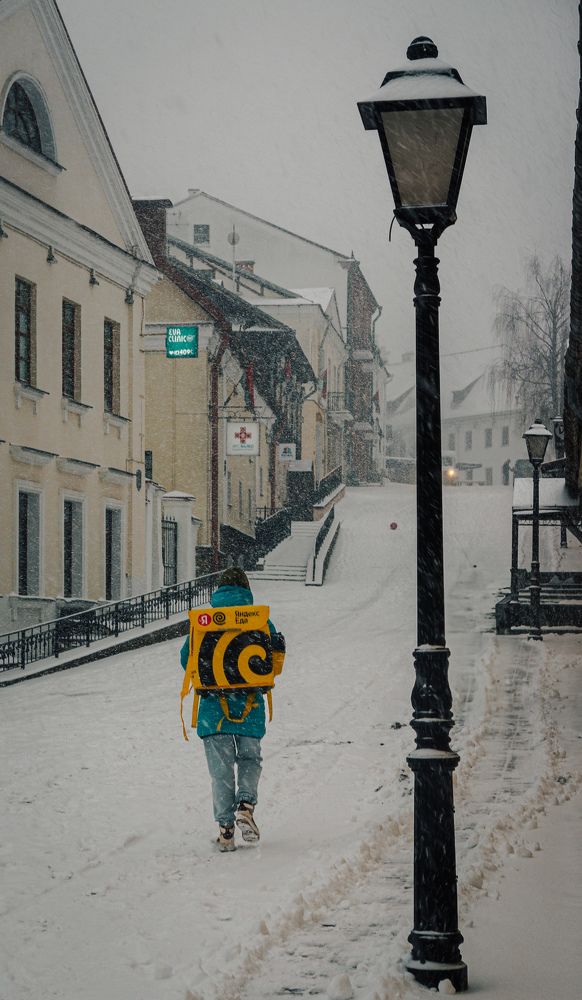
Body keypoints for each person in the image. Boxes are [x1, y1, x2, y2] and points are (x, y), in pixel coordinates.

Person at [180, 567, 284, 852]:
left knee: (221, 771)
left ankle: (226, 832)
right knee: (250, 760)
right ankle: (246, 804)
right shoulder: (260, 621)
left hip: (213, 709)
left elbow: (185, 660)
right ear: (246, 589)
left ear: (219, 590)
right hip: (249, 706)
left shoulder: (205, 622)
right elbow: (273, 664)